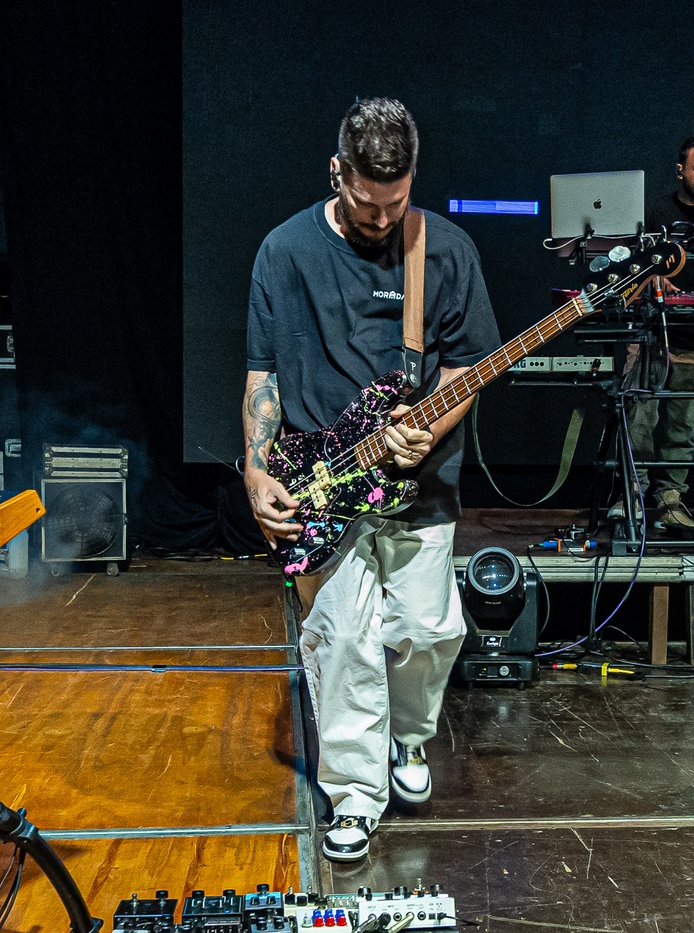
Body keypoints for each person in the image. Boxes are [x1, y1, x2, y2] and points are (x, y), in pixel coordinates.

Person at [242, 98, 501, 862]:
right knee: (342, 639)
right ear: (338, 173)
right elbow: (262, 373)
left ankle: (409, 737)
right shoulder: (284, 251)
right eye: (365, 203)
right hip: (323, 483)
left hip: (422, 483)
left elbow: (467, 366)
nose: (382, 219)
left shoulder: (444, 250)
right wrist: (255, 468)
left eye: (396, 202)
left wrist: (427, 429)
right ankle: (354, 795)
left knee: (429, 630)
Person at [617, 134, 694, 534]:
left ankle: (670, 499)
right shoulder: (655, 214)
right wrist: (652, 276)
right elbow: (626, 266)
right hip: (652, 336)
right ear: (681, 171)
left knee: (682, 428)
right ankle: (632, 495)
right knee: (639, 422)